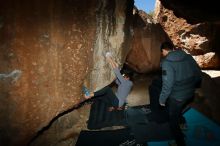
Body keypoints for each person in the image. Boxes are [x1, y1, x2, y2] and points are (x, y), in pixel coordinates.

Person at [159, 41, 202, 146]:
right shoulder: (188, 57)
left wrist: (162, 99)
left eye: (162, 52)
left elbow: (167, 85)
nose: (162, 54)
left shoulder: (166, 63)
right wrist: (191, 86)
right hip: (190, 93)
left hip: (177, 96)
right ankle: (183, 123)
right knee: (177, 109)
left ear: (164, 50)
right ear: (173, 48)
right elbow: (198, 74)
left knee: (172, 120)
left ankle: (179, 142)